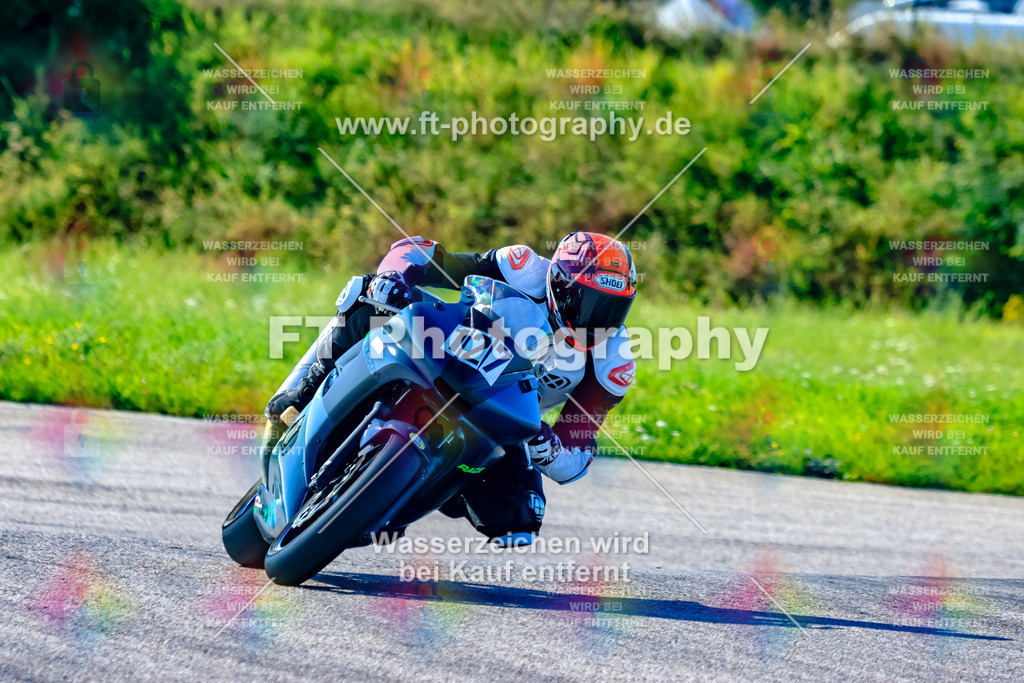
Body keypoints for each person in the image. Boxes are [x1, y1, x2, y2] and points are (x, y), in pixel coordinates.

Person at [265, 232, 638, 546]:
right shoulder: (521, 266)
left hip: (500, 417)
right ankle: (302, 389)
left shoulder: (612, 364)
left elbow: (576, 454)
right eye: (589, 304)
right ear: (557, 282)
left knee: (518, 518)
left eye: (611, 311)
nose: (596, 322)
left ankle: (395, 498)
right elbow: (419, 252)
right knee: (370, 296)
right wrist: (395, 277)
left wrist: (549, 450)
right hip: (447, 350)